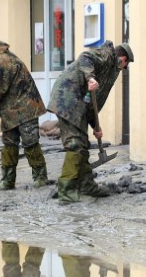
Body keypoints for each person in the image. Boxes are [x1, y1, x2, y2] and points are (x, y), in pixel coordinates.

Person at [48, 40, 134, 203]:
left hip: (78, 103)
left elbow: (92, 101)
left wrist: (96, 126)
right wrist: (89, 77)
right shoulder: (107, 55)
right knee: (75, 145)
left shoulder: (109, 71)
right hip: (67, 98)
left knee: (83, 146)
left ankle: (87, 185)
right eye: (125, 65)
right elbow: (85, 57)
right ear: (123, 59)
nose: (123, 69)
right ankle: (66, 190)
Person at [0, 33, 49, 190]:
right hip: (10, 111)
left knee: (30, 144)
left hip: (26, 108)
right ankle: (7, 180)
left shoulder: (2, 62)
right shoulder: (0, 59)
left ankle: (40, 178)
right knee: (9, 145)